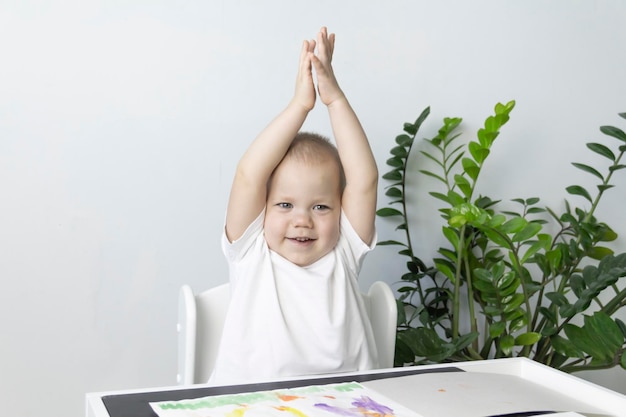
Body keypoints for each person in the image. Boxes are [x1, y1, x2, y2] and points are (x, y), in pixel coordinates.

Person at [209, 26, 379, 384]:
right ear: (263, 209)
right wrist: (301, 105)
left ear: (341, 211)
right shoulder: (251, 253)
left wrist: (335, 100)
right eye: (285, 205)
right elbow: (248, 175)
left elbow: (364, 180)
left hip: (346, 406)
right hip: (250, 407)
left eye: (320, 207)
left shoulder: (343, 252)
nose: (302, 221)